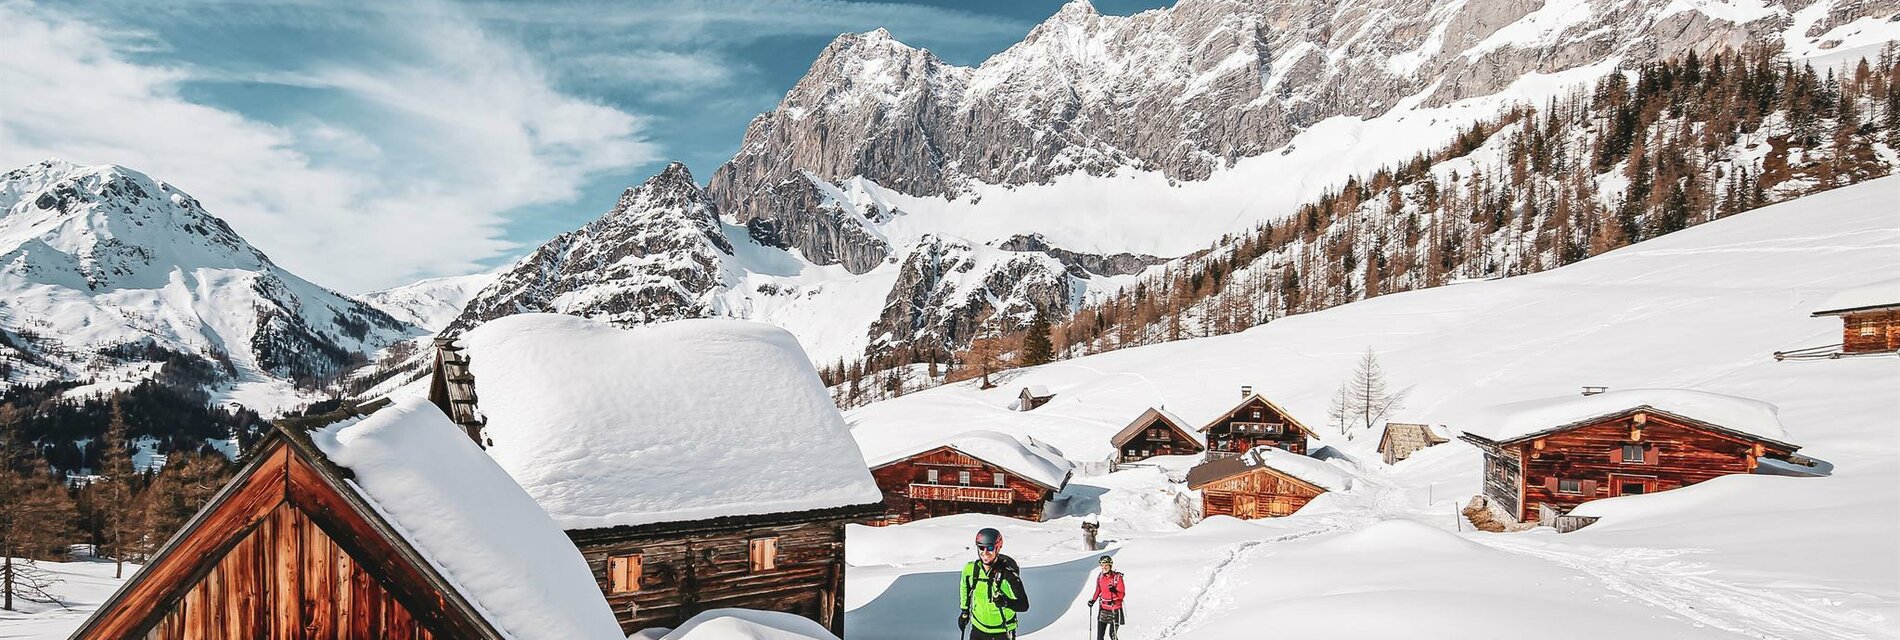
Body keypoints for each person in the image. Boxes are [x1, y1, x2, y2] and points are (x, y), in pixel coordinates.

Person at [959, 527, 1028, 639]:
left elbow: (1024, 605)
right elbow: (965, 588)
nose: (985, 552)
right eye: (981, 547)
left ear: (998, 548)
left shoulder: (1008, 574)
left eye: (990, 548)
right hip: (978, 627)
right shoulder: (970, 570)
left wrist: (1006, 602)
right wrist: (964, 612)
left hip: (1003, 630)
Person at [1087, 555, 1126, 640]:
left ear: (1110, 566)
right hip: (1103, 609)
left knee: (1112, 635)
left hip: (1115, 609)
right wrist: (1093, 600)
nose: (1104, 567)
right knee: (1100, 636)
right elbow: (1098, 590)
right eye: (1102, 565)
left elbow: (1122, 595)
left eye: (1106, 565)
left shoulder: (1117, 578)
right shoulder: (1100, 577)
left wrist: (1115, 591)